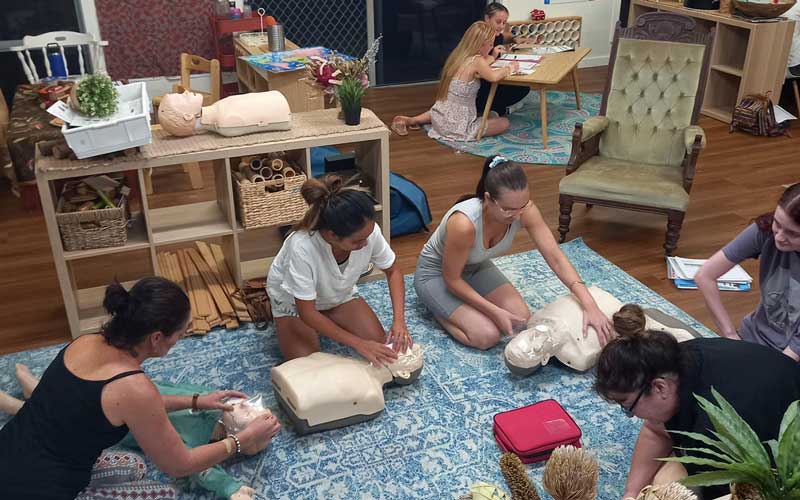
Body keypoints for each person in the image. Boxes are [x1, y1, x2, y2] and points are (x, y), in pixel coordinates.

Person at [0, 277, 280, 500]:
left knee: (135, 466)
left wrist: (195, 400)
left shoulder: (85, 342)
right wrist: (242, 440)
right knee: (162, 492)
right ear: (157, 338)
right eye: (180, 335)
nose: (178, 342)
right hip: (36, 488)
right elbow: (180, 465)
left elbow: (126, 404)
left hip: (10, 448)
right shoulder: (134, 388)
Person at [594, 304, 800, 500]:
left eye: (628, 407)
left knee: (668, 490)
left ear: (659, 388)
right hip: (770, 383)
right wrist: (630, 493)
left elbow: (730, 491)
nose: (632, 415)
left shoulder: (717, 427)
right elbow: (655, 431)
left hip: (779, 456)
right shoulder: (674, 358)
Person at [414, 155, 613, 350]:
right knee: (487, 335)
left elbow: (555, 257)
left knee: (521, 320)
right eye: (508, 209)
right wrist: (494, 311)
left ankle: (462, 310)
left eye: (523, 206)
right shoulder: (463, 224)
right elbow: (452, 280)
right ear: (488, 199)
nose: (518, 215)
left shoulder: (524, 210)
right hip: (437, 275)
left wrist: (589, 304)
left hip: (474, 267)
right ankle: (437, 310)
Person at [266, 174, 412, 367]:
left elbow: (392, 271)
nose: (366, 243)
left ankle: (328, 315)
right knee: (310, 368)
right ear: (332, 235)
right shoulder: (301, 246)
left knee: (385, 351)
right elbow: (307, 313)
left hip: (337, 294)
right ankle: (280, 316)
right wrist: (359, 344)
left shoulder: (367, 231)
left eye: (368, 236)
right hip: (293, 303)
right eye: (357, 241)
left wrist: (399, 320)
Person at [695, 182, 800, 360]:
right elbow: (704, 276)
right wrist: (730, 336)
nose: (780, 237)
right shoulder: (766, 230)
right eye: (777, 223)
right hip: (752, 338)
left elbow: (793, 352)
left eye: (792, 233)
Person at [390, 21, 518, 140]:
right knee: (503, 122)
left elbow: (485, 61)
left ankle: (413, 120)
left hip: (440, 117)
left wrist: (493, 56)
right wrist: (510, 67)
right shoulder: (477, 61)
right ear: (480, 44)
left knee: (459, 107)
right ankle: (465, 128)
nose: (491, 47)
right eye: (490, 44)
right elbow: (493, 77)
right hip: (458, 126)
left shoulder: (459, 56)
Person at [475, 2, 531, 117]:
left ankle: (495, 108)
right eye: (498, 22)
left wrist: (515, 40)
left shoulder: (498, 36)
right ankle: (498, 109)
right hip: (480, 81)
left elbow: (505, 35)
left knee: (524, 87)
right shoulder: (479, 36)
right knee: (492, 91)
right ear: (487, 18)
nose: (501, 26)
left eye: (504, 23)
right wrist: (494, 56)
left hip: (493, 75)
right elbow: (475, 65)